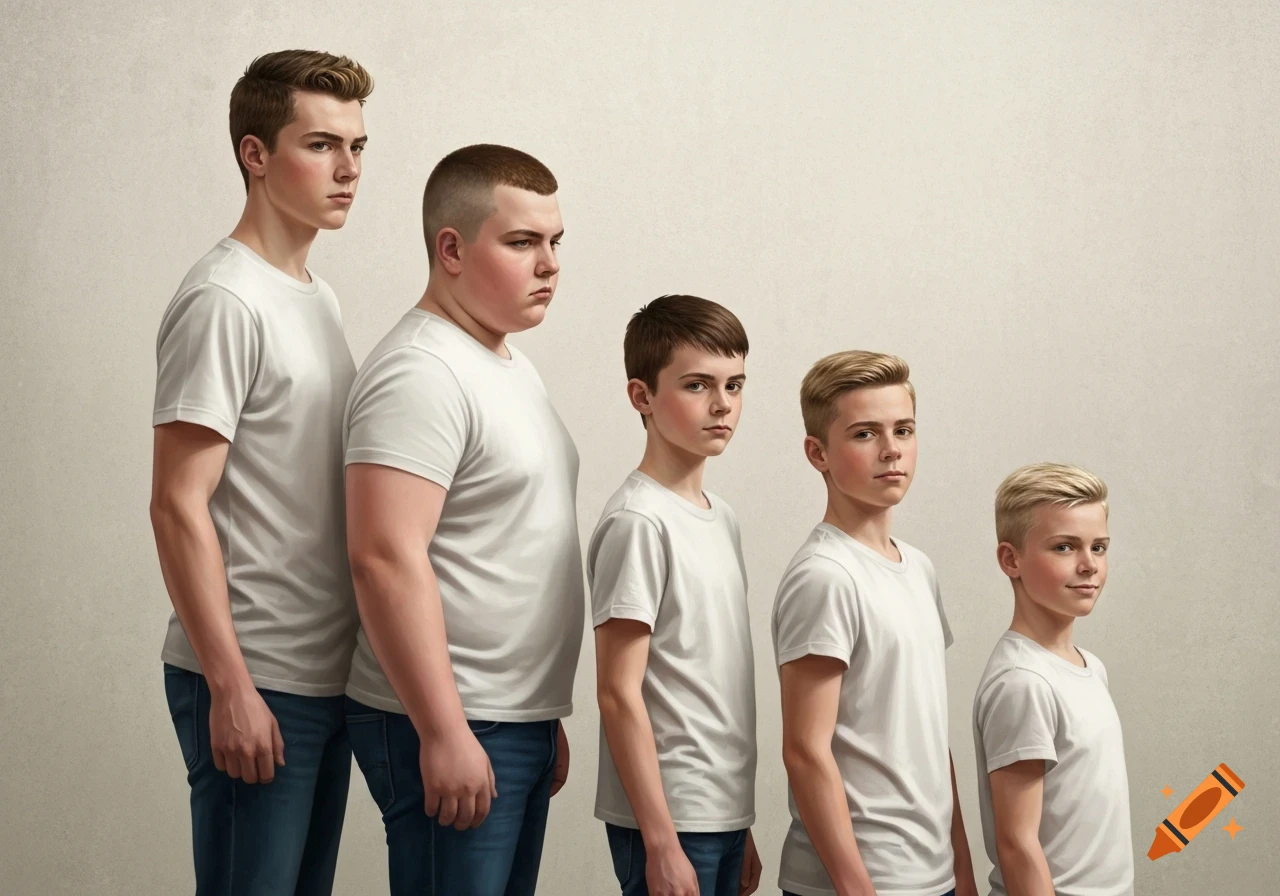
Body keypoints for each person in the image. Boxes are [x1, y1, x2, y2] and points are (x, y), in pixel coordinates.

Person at [149, 49, 372, 895]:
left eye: (357, 146)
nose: (348, 168)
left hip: (321, 675)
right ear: (255, 153)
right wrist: (229, 686)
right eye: (321, 145)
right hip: (254, 674)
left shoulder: (315, 294)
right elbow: (176, 505)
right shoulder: (224, 300)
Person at [342, 144, 581, 896]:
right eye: (522, 242)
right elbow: (384, 558)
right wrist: (445, 731)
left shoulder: (504, 361)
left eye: (555, 243)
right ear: (451, 248)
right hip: (451, 722)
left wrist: (538, 716)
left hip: (508, 721)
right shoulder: (421, 372)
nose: (549, 264)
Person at [772, 350, 978, 896]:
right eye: (865, 434)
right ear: (818, 452)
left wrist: (961, 868)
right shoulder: (825, 576)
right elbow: (804, 749)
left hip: (928, 875)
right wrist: (855, 887)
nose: (892, 451)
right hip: (859, 882)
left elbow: (930, 734)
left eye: (904, 430)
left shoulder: (919, 568)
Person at [589, 294, 763, 896]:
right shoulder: (639, 521)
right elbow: (617, 691)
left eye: (734, 385)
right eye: (697, 385)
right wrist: (661, 841)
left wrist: (739, 823)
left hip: (721, 814)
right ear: (642, 397)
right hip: (668, 819)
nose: (723, 406)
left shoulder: (724, 518)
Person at [972, 463, 1134, 896]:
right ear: (1011, 559)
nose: (1089, 565)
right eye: (1064, 547)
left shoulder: (1089, 666)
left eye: (1099, 547)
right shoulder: (1023, 682)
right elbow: (1017, 843)